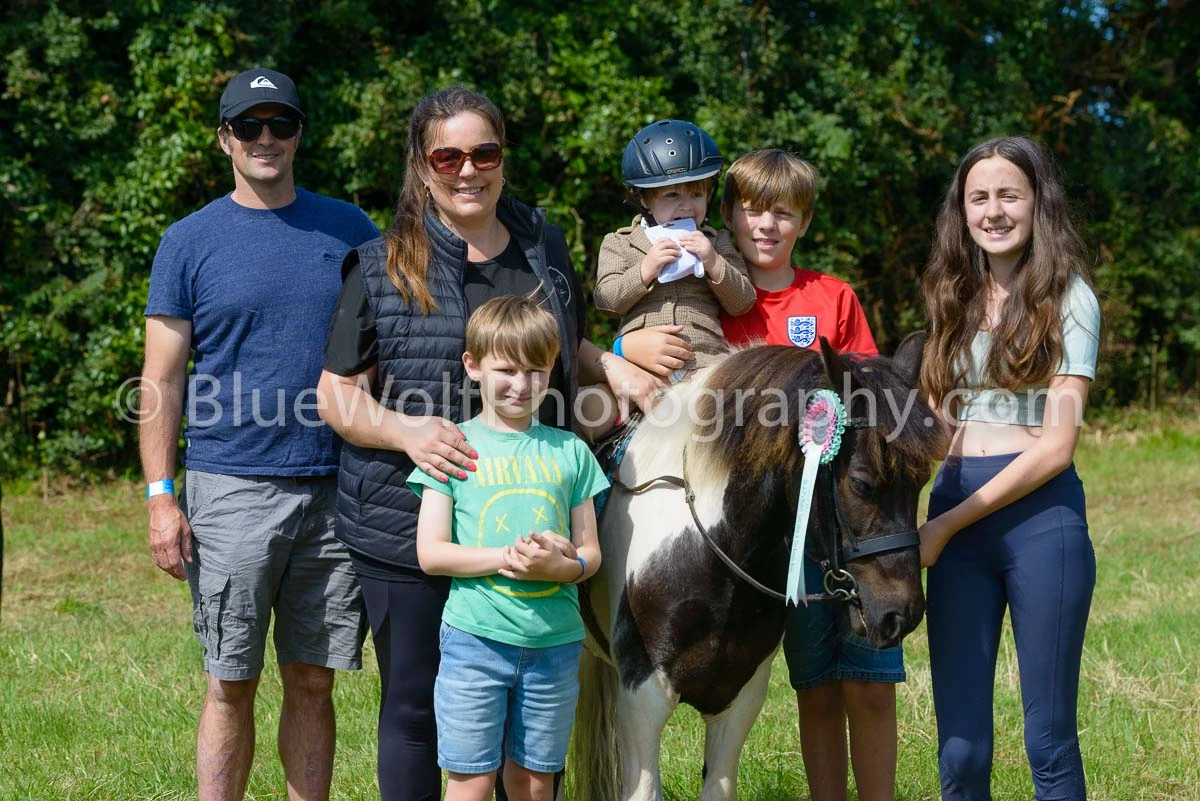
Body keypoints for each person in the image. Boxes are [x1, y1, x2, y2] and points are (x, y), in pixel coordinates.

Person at [315, 84, 657, 801]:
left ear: (503, 156)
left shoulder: (542, 240)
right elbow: (337, 394)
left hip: (531, 518)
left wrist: (611, 358)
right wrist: (407, 430)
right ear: (422, 164)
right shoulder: (378, 264)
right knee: (417, 709)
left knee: (531, 720)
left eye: (484, 152)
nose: (467, 170)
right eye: (448, 156)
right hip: (408, 524)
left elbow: (555, 342)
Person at [139, 67, 379, 801]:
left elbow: (386, 346)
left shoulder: (351, 229)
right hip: (231, 486)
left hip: (338, 488)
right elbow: (161, 379)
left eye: (280, 124)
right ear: (225, 140)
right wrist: (160, 496)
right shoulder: (188, 242)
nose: (266, 139)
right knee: (230, 681)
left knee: (313, 679)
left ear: (300, 133)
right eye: (250, 126)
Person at [918, 136, 1100, 800]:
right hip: (956, 512)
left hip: (1040, 521)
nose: (993, 210)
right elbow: (938, 433)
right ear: (961, 211)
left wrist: (946, 526)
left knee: (1047, 741)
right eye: (978, 197)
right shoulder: (951, 297)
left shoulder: (1070, 297)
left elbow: (1056, 446)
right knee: (960, 751)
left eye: (1008, 195)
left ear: (1037, 202)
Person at [719, 148, 900, 801]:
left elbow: (872, 399)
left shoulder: (832, 296)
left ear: (804, 219)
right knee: (816, 687)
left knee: (872, 685)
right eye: (751, 207)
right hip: (770, 534)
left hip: (848, 524)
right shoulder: (715, 300)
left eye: (783, 211)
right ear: (729, 214)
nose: (765, 223)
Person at [408, 295, 607, 801]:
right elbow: (431, 553)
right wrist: (509, 559)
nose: (522, 385)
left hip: (556, 646)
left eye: (536, 371)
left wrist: (560, 567)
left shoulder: (571, 451)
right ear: (473, 366)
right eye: (507, 370)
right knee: (470, 779)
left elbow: (590, 555)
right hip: (475, 643)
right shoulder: (454, 448)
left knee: (535, 781)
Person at [594, 119, 755, 374]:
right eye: (672, 195)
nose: (687, 207)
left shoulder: (716, 241)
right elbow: (607, 303)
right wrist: (645, 269)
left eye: (697, 195)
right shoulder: (619, 242)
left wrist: (713, 261)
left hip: (705, 367)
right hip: (639, 368)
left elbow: (743, 301)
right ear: (645, 199)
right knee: (592, 405)